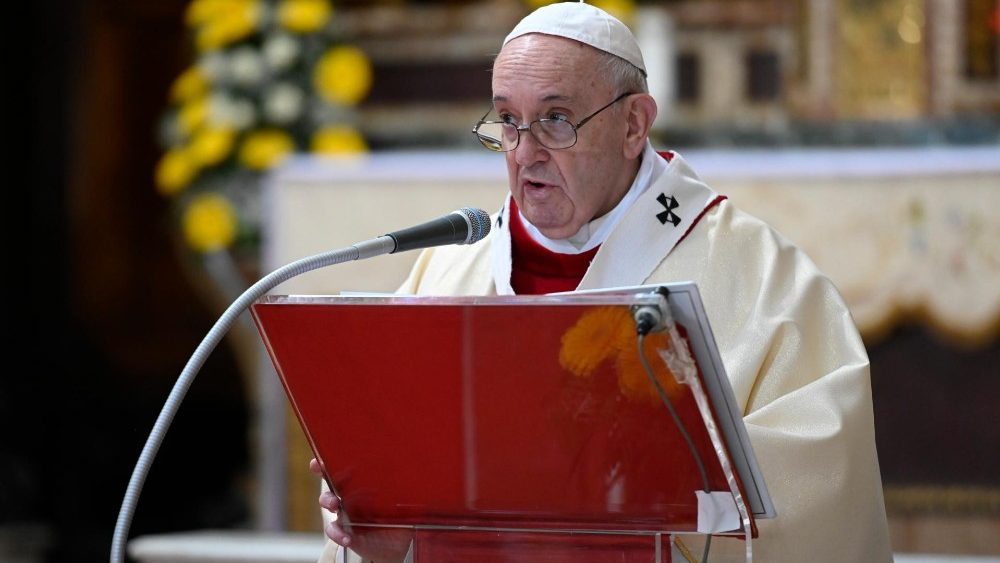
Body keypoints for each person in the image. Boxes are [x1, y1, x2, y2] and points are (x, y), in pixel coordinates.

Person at [313, 2, 893, 561]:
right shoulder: (450, 273)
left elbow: (822, 476)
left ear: (633, 124)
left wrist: (641, 485)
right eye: (508, 121)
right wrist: (393, 539)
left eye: (556, 120)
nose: (525, 153)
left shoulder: (757, 276)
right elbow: (386, 482)